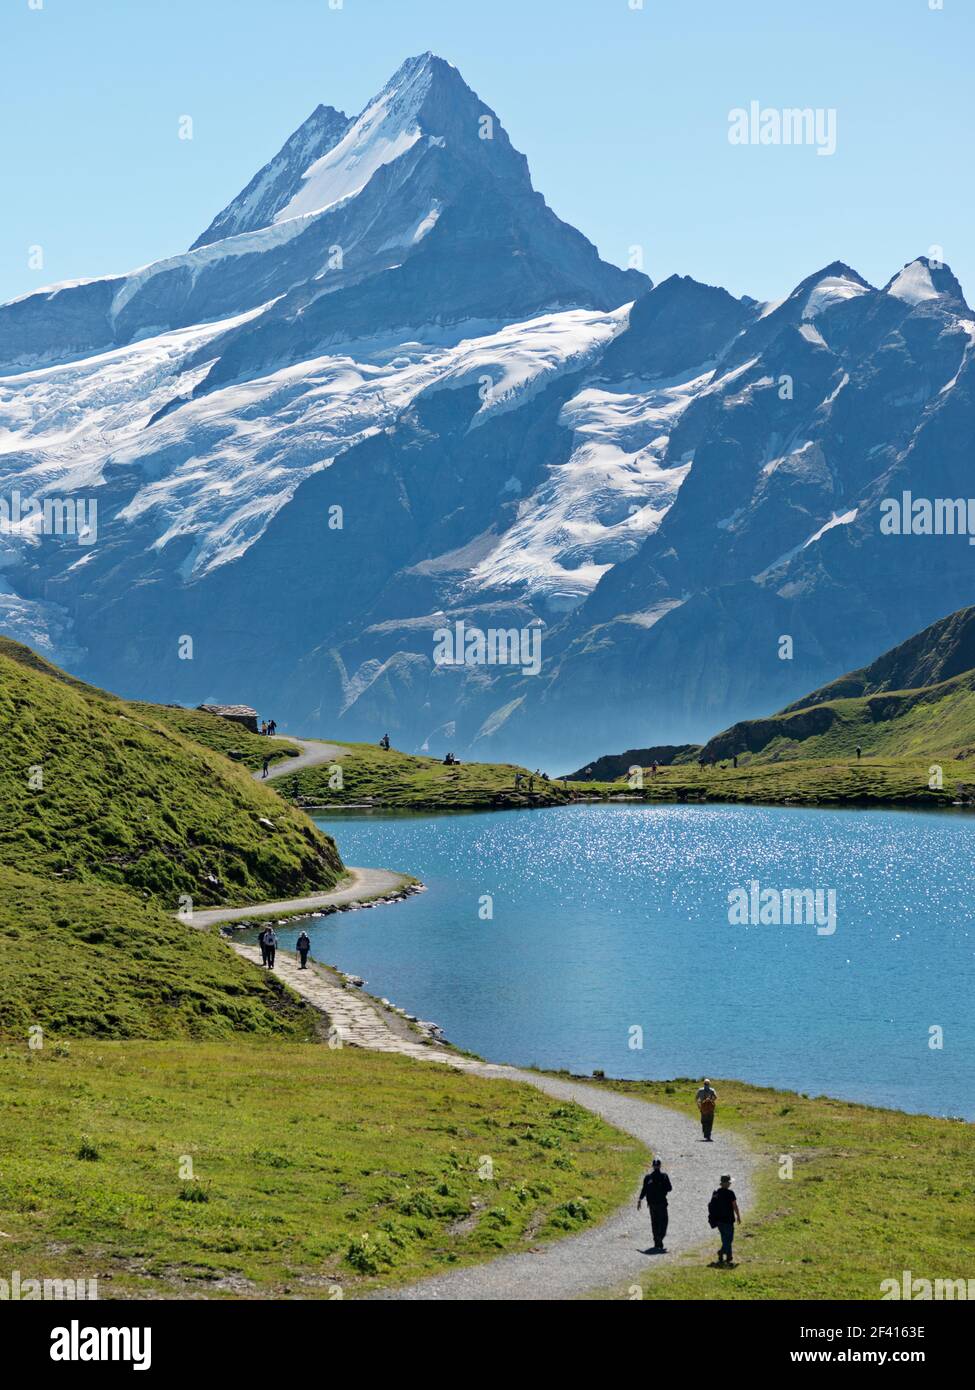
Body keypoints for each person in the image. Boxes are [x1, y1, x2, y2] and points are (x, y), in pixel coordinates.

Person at [637, 1158, 673, 1252]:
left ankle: (657, 1240)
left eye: (656, 1165)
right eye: (656, 1165)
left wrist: (640, 1199)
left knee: (656, 1222)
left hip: (655, 1204)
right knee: (662, 1221)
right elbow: (669, 1188)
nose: (656, 1167)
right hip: (659, 1204)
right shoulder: (662, 1176)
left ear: (653, 1166)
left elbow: (644, 1190)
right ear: (658, 1166)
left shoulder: (649, 1177)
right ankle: (659, 1239)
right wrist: (640, 1199)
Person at [708, 1175, 741, 1266]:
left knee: (724, 1238)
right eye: (729, 1182)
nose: (730, 1184)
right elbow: (735, 1206)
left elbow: (712, 1206)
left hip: (719, 1220)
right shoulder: (730, 1193)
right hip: (728, 1220)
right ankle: (721, 1252)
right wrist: (738, 1216)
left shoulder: (716, 1193)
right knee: (729, 1239)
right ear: (726, 1183)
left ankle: (729, 1257)